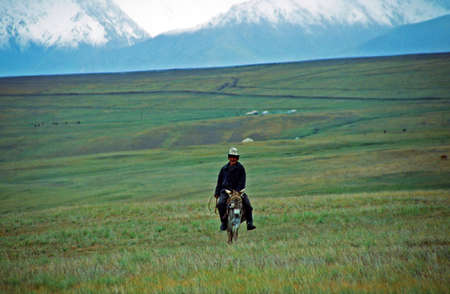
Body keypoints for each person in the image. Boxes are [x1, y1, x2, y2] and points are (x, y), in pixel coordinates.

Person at [215, 147, 256, 231]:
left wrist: (237, 192)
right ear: (229, 157)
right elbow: (219, 181)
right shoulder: (224, 169)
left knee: (247, 204)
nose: (233, 159)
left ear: (237, 158)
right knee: (220, 204)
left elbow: (242, 181)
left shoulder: (241, 168)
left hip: (238, 191)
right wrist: (217, 192)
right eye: (231, 157)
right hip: (226, 191)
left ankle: (249, 223)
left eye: (234, 157)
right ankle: (223, 223)